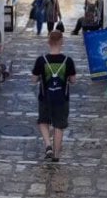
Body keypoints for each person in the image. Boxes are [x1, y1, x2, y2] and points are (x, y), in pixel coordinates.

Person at [32, 28, 76, 161]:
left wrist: (42, 77)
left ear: (48, 42)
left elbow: (33, 80)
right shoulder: (68, 61)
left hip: (45, 97)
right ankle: (56, 156)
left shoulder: (41, 60)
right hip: (62, 99)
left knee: (43, 121)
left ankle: (48, 145)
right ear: (62, 42)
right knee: (59, 126)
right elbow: (73, 81)